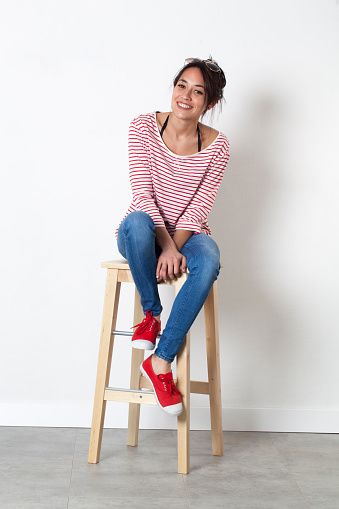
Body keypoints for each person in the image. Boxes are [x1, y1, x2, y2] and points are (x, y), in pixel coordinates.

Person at [116, 57, 230, 417]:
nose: (186, 96)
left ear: (209, 103)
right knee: (135, 221)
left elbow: (198, 210)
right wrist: (165, 247)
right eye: (182, 85)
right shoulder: (141, 127)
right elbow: (143, 196)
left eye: (198, 92)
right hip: (143, 234)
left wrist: (175, 247)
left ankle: (160, 360)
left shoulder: (218, 146)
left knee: (209, 258)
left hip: (188, 234)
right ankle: (152, 313)